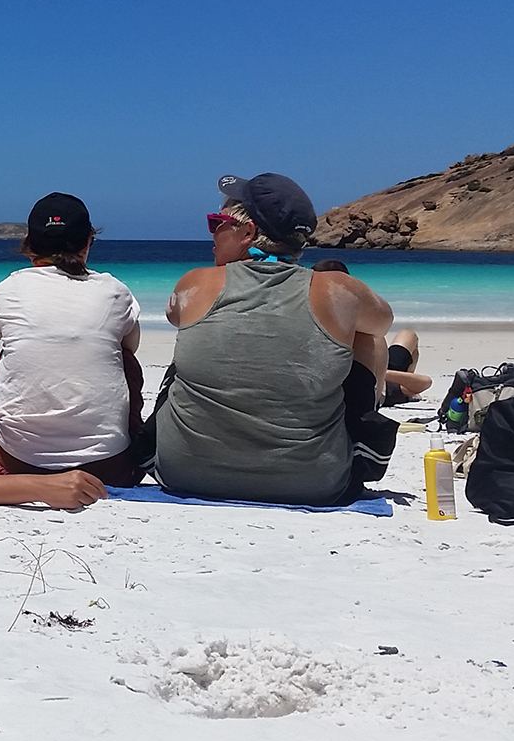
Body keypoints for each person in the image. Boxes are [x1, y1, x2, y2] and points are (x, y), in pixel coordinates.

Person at [154, 174, 396, 506]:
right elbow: (383, 322)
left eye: (216, 223)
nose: (212, 234)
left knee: (192, 345)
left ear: (248, 233)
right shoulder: (338, 289)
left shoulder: (195, 283)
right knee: (367, 341)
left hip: (183, 473)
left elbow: (174, 317)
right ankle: (358, 442)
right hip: (315, 483)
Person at [0, 193, 144, 486]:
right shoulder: (114, 291)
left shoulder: (7, 290)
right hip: (107, 467)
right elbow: (130, 348)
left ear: (29, 245)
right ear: (88, 242)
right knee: (124, 360)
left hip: (18, 463)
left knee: (6, 355)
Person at [311, 259, 432, 406]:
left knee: (408, 335)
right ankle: (391, 392)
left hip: (374, 369)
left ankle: (396, 381)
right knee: (377, 337)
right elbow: (425, 382)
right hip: (375, 379)